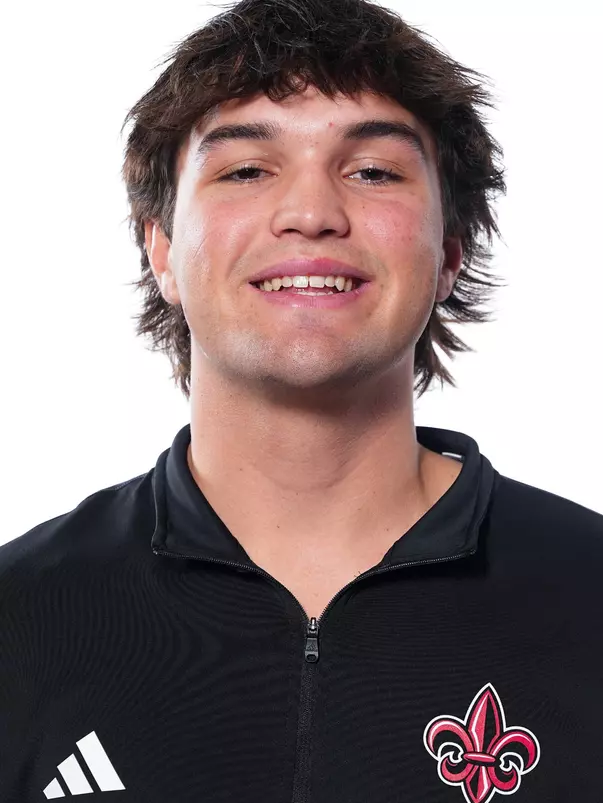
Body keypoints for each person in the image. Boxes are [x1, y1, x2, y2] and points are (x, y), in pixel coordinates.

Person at [1, 0, 602, 800]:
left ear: (451, 251)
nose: (311, 213)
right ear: (162, 251)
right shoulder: (23, 616)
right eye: (247, 169)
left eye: (373, 171)